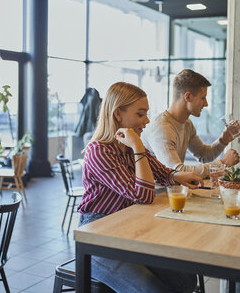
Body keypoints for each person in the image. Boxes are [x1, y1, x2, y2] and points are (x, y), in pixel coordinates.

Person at [77, 81, 202, 293]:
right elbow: (142, 195)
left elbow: (163, 173)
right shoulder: (99, 151)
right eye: (140, 114)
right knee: (151, 290)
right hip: (98, 236)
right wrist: (137, 146)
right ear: (118, 114)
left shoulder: (129, 146)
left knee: (186, 281)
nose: (147, 120)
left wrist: (182, 176)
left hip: (128, 228)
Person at [142, 69, 240, 178]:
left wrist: (224, 139)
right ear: (188, 97)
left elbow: (203, 155)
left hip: (175, 190)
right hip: (158, 192)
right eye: (203, 98)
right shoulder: (161, 128)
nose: (206, 104)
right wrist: (222, 164)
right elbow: (177, 171)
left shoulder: (187, 123)